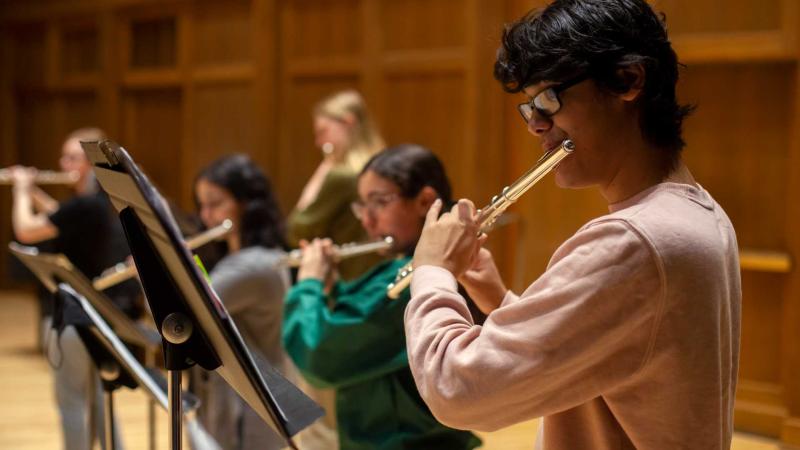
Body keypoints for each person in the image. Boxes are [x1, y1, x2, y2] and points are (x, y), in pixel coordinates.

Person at [403, 1, 742, 449]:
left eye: (549, 99)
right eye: (529, 108)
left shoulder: (636, 242)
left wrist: (432, 272)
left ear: (628, 79)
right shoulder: (699, 213)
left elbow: (457, 391)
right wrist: (496, 296)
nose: (536, 125)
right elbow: (607, 360)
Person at [282, 144, 482, 450]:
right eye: (362, 206)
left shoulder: (419, 276)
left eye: (379, 203)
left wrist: (308, 283)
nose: (367, 220)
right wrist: (331, 287)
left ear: (424, 201)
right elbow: (358, 310)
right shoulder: (406, 268)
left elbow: (320, 356)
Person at [10, 127, 137, 450]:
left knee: (72, 402)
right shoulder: (94, 202)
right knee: (99, 400)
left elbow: (25, 230)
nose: (63, 163)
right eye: (64, 156)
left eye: (73, 158)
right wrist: (36, 191)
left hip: (78, 314)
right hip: (100, 312)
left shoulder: (84, 206)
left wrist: (21, 191)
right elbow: (61, 216)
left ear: (90, 165)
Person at [191, 154, 290, 450]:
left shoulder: (254, 266)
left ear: (246, 204)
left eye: (215, 203)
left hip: (248, 412)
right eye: (202, 205)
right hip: (231, 402)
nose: (206, 216)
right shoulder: (238, 259)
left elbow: (188, 310)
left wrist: (160, 267)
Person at [287, 89, 386, 281]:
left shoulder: (342, 176)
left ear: (348, 122)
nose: (319, 142)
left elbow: (297, 229)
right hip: (380, 280)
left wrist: (322, 172)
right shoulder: (383, 166)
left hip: (347, 286)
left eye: (323, 131)